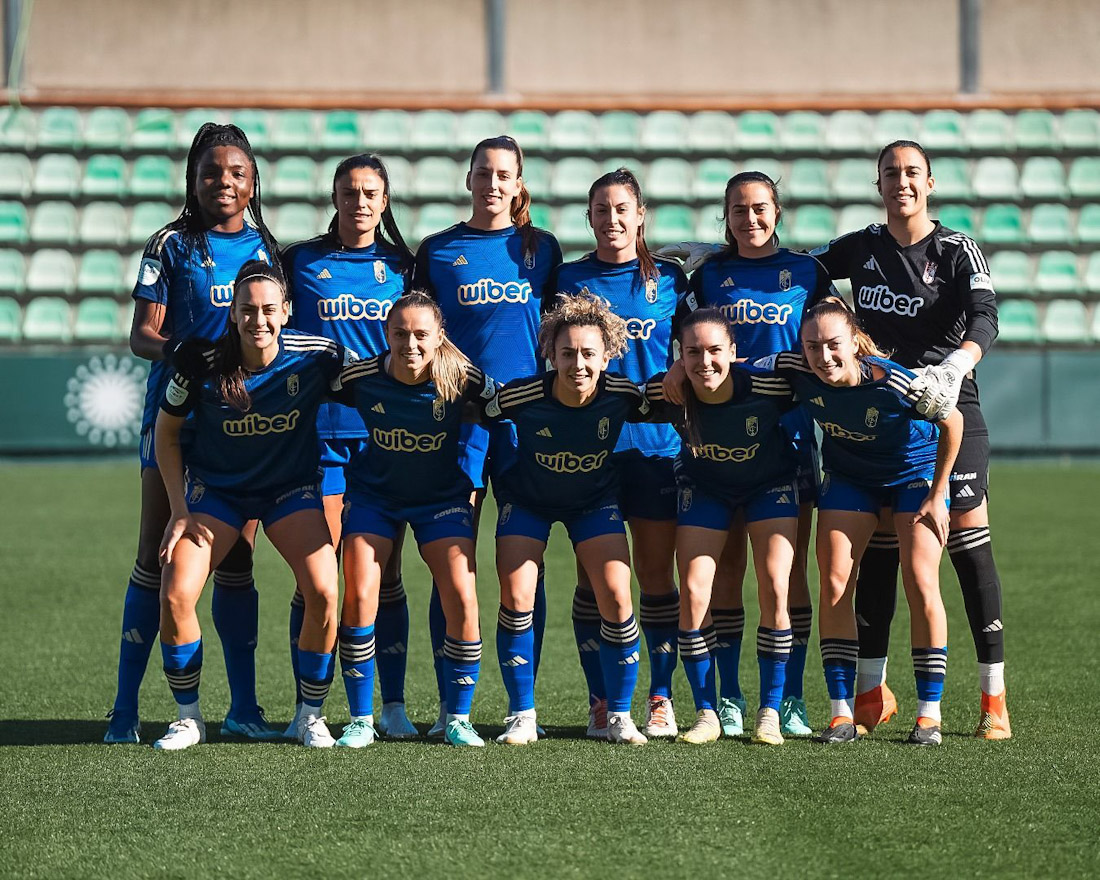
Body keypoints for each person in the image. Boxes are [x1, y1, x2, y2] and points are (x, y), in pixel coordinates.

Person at [811, 140, 1010, 740]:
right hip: (878, 409)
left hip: (948, 406)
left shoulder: (955, 248)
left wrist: (956, 364)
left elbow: (986, 315)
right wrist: (719, 263)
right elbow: (797, 273)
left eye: (912, 172)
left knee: (965, 548)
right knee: (871, 555)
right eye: (891, 173)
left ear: (930, 183)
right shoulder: (862, 247)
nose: (902, 181)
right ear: (878, 184)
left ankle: (992, 697)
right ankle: (870, 695)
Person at [105, 123, 280, 744]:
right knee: (156, 551)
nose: (223, 183)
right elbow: (140, 335)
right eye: (211, 172)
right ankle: (125, 709)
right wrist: (180, 350)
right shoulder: (172, 244)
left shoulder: (267, 247)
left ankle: (245, 708)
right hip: (174, 419)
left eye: (236, 173)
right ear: (193, 179)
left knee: (237, 562)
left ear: (253, 181)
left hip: (240, 425)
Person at [152, 262, 347, 750]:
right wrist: (179, 510)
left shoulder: (319, 356)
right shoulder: (200, 365)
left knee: (324, 590)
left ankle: (309, 715)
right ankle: (189, 718)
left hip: (289, 491)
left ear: (286, 311)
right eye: (247, 310)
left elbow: (376, 382)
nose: (258, 320)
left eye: (267, 310)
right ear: (233, 314)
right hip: (217, 494)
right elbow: (167, 433)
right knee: (176, 593)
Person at [667, 171, 833, 738]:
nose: (751, 218)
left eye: (760, 208)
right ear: (726, 216)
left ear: (778, 212)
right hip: (716, 437)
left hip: (785, 438)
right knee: (726, 572)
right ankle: (728, 700)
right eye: (739, 210)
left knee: (785, 578)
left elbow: (831, 335)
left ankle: (787, 700)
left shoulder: (809, 273)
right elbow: (682, 335)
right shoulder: (711, 274)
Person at [412, 135, 562, 735]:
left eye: (504, 175)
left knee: (525, 564)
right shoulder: (440, 251)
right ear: (468, 179)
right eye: (483, 173)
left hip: (526, 425)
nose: (493, 184)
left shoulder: (541, 250)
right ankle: (455, 708)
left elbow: (557, 334)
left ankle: (522, 707)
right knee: (453, 559)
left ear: (519, 182)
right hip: (460, 422)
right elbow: (419, 332)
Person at [767, 297, 963, 745]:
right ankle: (841, 714)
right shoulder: (795, 368)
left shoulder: (896, 382)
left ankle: (928, 715)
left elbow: (954, 423)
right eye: (812, 346)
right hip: (851, 478)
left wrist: (937, 494)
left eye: (833, 344)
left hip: (912, 475)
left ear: (855, 342)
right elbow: (738, 365)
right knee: (835, 584)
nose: (823, 356)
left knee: (920, 580)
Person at [548, 169, 687, 739]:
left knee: (655, 577)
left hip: (655, 448)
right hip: (592, 453)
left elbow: (697, 342)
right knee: (595, 583)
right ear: (589, 218)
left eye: (622, 209)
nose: (612, 219)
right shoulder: (571, 278)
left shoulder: (672, 280)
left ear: (640, 215)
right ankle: (601, 698)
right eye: (601, 210)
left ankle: (658, 696)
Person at [283, 153, 417, 740]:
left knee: (384, 580)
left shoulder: (406, 267)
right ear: (333, 197)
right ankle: (307, 707)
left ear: (383, 202)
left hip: (388, 442)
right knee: (319, 582)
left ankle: (389, 705)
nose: (359, 202)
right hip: (319, 441)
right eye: (348, 191)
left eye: (370, 193)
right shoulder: (301, 261)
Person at [483, 294, 651, 745]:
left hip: (593, 502)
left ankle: (616, 715)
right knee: (518, 595)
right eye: (567, 353)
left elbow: (678, 402)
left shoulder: (623, 395)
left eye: (589, 353)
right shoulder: (520, 395)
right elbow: (474, 410)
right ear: (550, 355)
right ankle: (521, 715)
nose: (578, 363)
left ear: (608, 355)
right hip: (528, 502)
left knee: (617, 596)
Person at [330, 292, 493, 747]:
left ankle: (457, 717)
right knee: (361, 590)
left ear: (439, 336)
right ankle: (362, 719)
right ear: (386, 335)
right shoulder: (360, 377)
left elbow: (510, 409)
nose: (410, 344)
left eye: (421, 334)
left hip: (440, 499)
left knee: (461, 592)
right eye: (400, 333)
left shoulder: (464, 379)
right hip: (374, 497)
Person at [645, 308, 802, 745]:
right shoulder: (671, 392)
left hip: (770, 485)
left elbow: (818, 373)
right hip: (706, 486)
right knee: (695, 592)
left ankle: (770, 710)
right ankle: (708, 712)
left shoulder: (768, 384)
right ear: (679, 355)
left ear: (734, 352)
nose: (704, 361)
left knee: (775, 582)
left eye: (715, 350)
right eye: (692, 352)